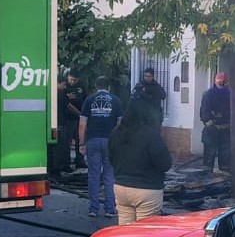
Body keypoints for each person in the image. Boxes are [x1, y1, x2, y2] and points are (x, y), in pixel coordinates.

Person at [109, 97, 172, 225]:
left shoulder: (116, 133)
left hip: (121, 187)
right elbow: (165, 164)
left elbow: (111, 159)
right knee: (144, 235)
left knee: (125, 234)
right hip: (147, 189)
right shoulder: (151, 135)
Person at [79, 75, 123, 218]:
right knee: (109, 176)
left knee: (93, 175)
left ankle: (93, 208)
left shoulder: (89, 100)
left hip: (93, 141)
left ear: (96, 86)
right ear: (108, 86)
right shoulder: (116, 101)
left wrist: (81, 142)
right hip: (110, 142)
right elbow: (120, 125)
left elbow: (82, 124)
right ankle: (110, 209)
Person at [199, 71, 232, 174]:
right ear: (215, 80)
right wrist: (211, 125)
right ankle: (206, 178)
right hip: (211, 130)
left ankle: (226, 180)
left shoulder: (229, 94)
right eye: (219, 78)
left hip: (225, 129)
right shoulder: (208, 94)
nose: (221, 81)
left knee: (225, 157)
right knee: (209, 157)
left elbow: (232, 111)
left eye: (222, 79)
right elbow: (204, 113)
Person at [60, 71, 86, 170]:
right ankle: (65, 163)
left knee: (80, 140)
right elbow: (66, 105)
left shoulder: (81, 86)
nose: (72, 82)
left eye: (74, 80)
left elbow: (85, 99)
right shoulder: (64, 87)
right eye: (71, 79)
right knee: (67, 141)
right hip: (68, 119)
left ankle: (80, 161)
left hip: (79, 118)